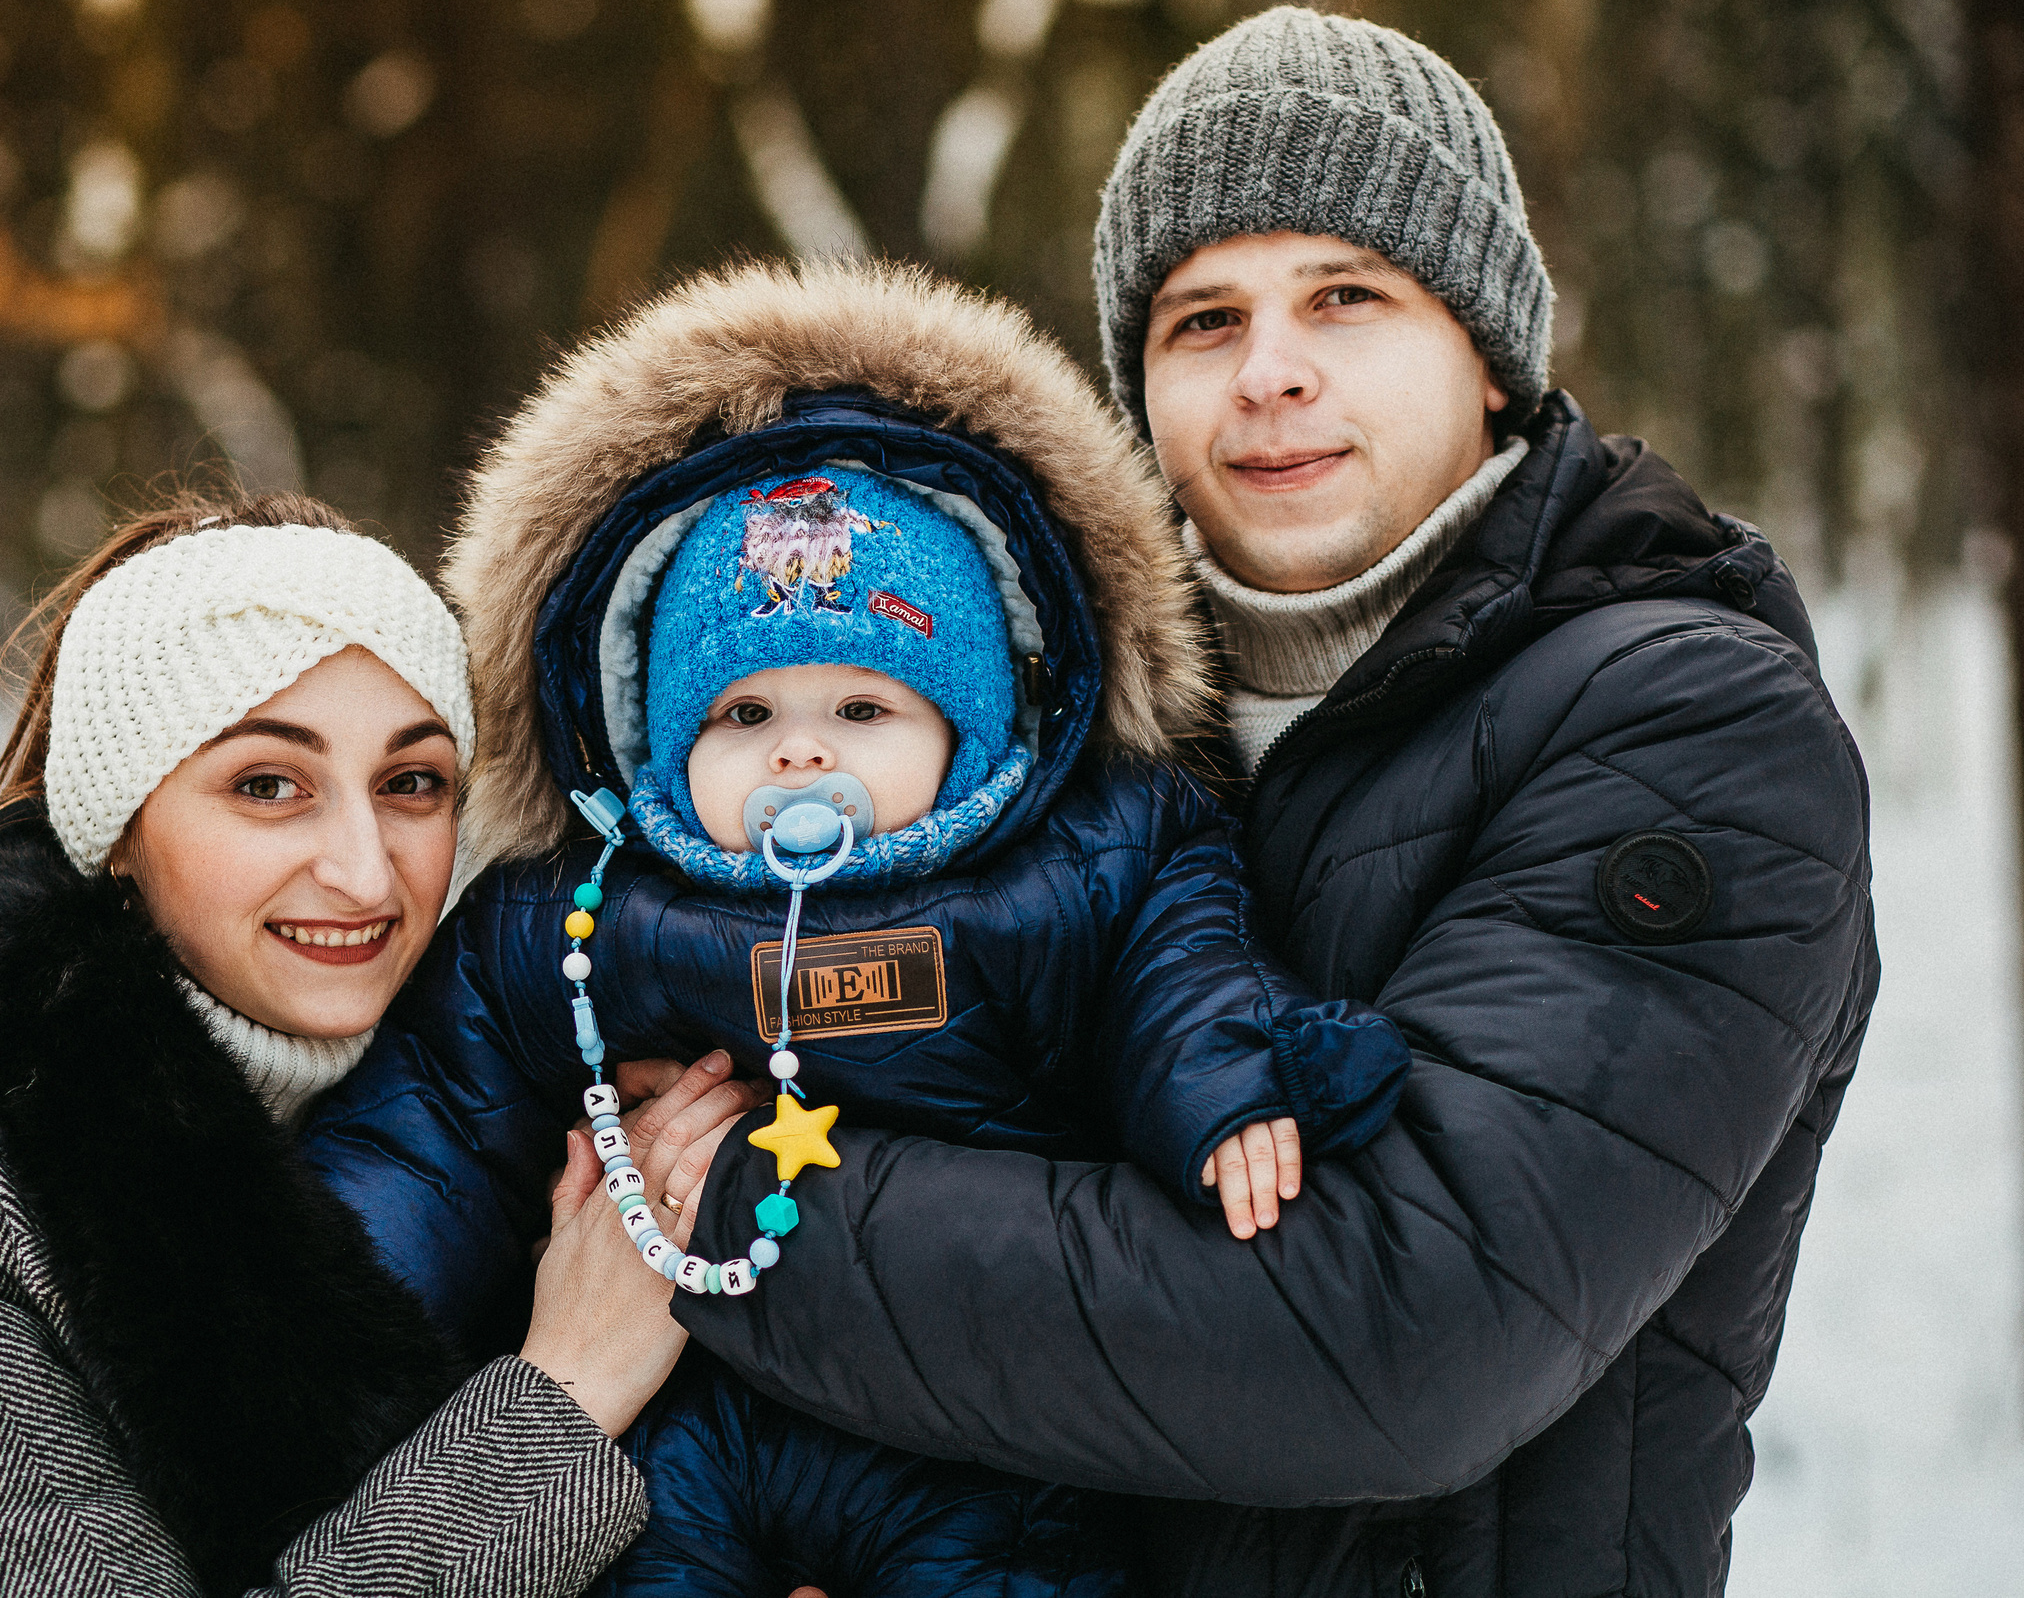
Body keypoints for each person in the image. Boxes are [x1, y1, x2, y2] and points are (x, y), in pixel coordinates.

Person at [673, 7, 1879, 1594]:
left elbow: (1399, 1337)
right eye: (1202, 319)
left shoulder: (1689, 723)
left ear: (1490, 355)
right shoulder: (1036, 728)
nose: (1270, 372)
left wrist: (725, 1207)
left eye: (1346, 296)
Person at [297, 260, 1409, 1595]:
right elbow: (438, 1118)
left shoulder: (1074, 867)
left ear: (972, 731)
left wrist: (1230, 1084)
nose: (799, 753)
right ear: (656, 743)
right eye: (744, 715)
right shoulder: (581, 911)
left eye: (863, 711)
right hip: (675, 1432)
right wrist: (320, 1307)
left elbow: (1180, 968)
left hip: (972, 1429)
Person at [0, 492, 763, 1597]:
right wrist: (565, 1393)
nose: (363, 869)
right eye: (267, 785)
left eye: (410, 784)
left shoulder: (561, 1107)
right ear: (117, 827)